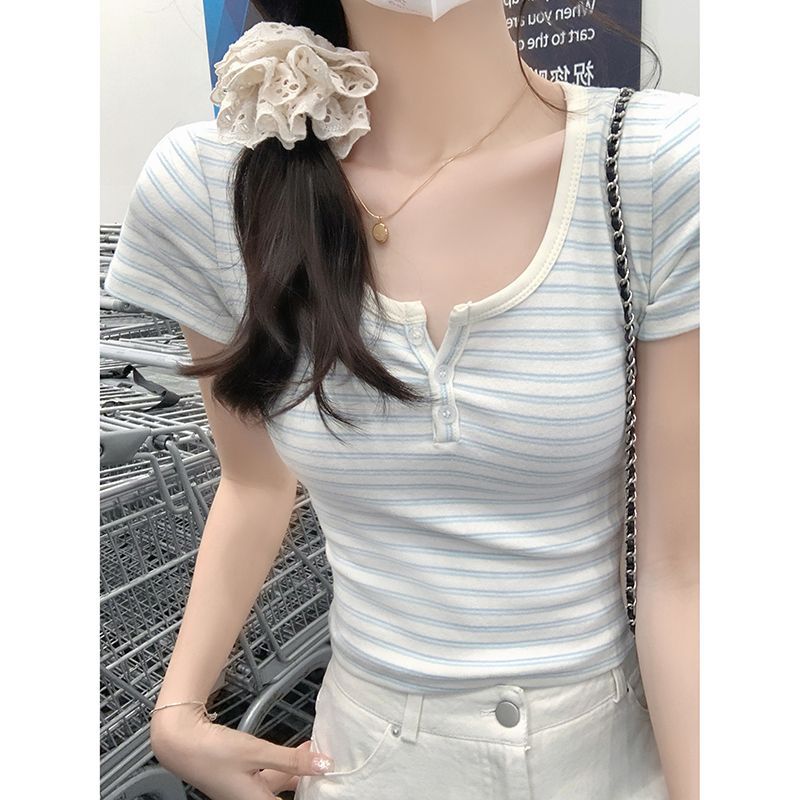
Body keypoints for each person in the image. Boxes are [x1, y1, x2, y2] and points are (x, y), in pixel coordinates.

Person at [104, 1, 699, 798]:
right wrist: (177, 710)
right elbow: (252, 481)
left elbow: (682, 570)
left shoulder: (661, 165)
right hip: (369, 757)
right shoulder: (212, 186)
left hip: (610, 752)